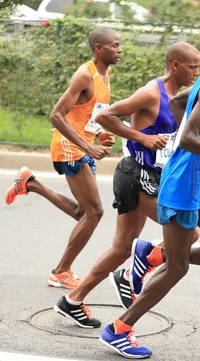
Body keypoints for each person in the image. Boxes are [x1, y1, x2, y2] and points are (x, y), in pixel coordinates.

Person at [99, 27, 200, 359]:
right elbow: (189, 137)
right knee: (178, 269)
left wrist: (181, 143)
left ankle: (152, 256)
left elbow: (177, 103)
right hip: (182, 187)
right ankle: (118, 330)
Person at [52, 42, 200, 328]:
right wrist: (141, 137)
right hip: (135, 174)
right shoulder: (151, 92)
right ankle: (145, 259)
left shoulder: (182, 96)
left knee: (121, 249)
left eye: (198, 66)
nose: (197, 71)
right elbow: (104, 115)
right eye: (192, 66)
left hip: (153, 175)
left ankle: (71, 300)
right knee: (189, 230)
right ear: (175, 65)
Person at [4, 27, 121, 289]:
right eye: (115, 45)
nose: (120, 50)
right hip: (70, 146)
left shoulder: (106, 73)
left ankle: (30, 183)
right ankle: (61, 271)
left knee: (84, 212)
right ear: (98, 48)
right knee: (94, 213)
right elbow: (57, 115)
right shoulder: (84, 75)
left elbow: (88, 111)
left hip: (82, 143)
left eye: (120, 45)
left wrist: (99, 134)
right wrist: (88, 147)